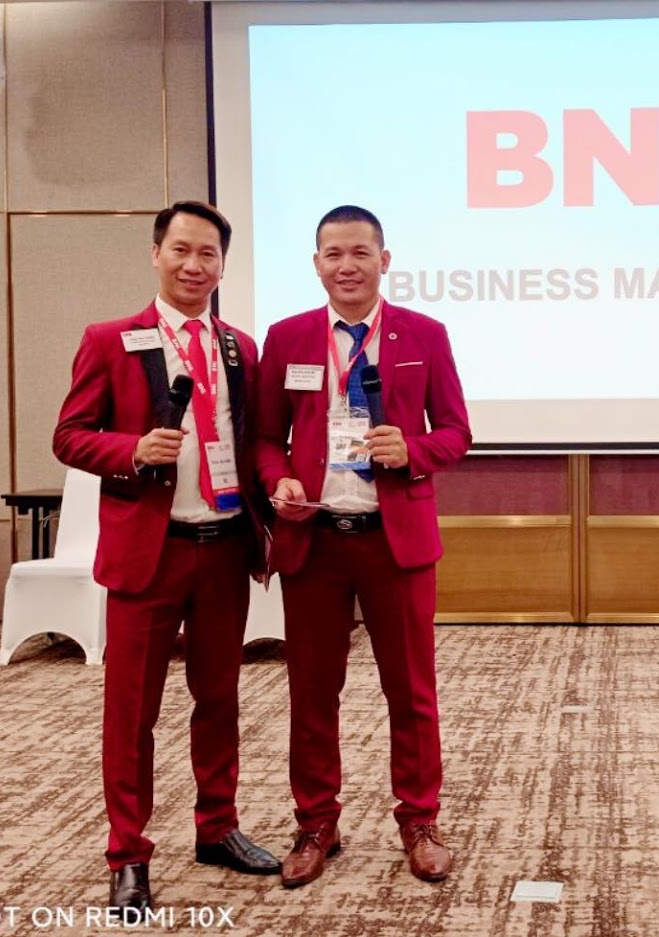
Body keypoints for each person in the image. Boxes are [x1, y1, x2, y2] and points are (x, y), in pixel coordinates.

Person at [53, 201, 281, 912]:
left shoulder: (240, 348)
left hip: (223, 549)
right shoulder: (111, 340)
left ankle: (217, 826)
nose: (194, 265)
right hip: (149, 556)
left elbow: (252, 442)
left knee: (219, 700)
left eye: (208, 253)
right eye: (181, 250)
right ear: (156, 253)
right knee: (132, 713)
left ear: (223, 264)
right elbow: (69, 436)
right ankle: (128, 853)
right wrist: (131, 449)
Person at [256, 205, 472, 886]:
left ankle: (420, 820)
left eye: (359, 253)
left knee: (411, 691)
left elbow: (457, 432)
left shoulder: (424, 334)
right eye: (333, 254)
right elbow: (265, 437)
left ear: (384, 259)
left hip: (394, 542)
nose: (346, 266)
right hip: (315, 541)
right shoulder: (287, 337)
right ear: (316, 263)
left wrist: (413, 450)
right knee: (312, 692)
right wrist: (278, 478)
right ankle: (316, 822)